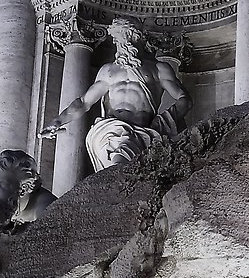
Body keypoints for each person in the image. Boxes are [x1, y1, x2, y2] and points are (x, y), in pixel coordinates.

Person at [51, 17, 188, 172]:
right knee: (120, 163)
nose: (118, 43)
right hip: (110, 131)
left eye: (122, 36)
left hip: (142, 132)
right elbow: (83, 102)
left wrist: (164, 121)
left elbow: (184, 100)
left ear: (135, 36)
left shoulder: (159, 69)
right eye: (116, 38)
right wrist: (58, 120)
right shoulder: (108, 70)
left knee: (127, 171)